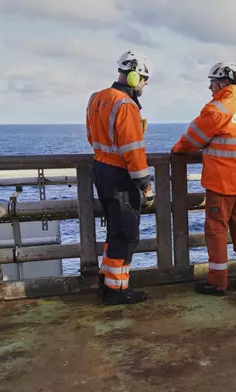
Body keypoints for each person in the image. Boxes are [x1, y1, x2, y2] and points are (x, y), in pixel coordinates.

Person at [171, 61, 236, 296]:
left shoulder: (217, 109)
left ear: (221, 83)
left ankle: (218, 282)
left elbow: (191, 139)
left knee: (217, 231)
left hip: (222, 183)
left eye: (211, 84)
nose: (210, 89)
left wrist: (177, 149)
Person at [86, 50, 155, 305]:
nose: (145, 86)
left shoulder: (96, 98)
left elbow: (91, 138)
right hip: (120, 177)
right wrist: (145, 185)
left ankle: (107, 283)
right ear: (136, 77)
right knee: (127, 235)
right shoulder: (125, 105)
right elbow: (133, 151)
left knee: (114, 231)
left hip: (100, 170)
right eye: (145, 80)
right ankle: (118, 291)